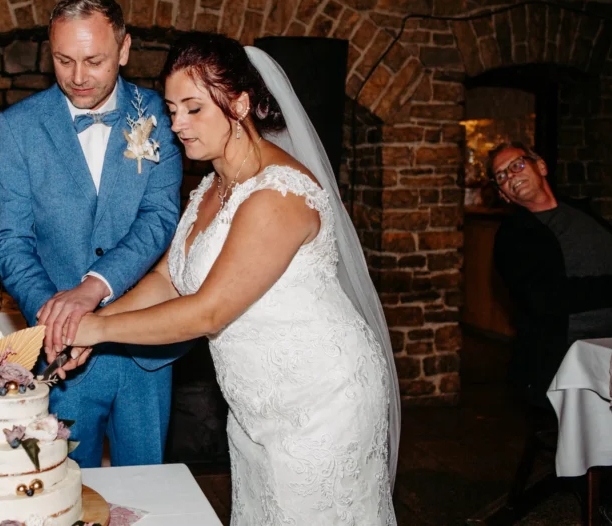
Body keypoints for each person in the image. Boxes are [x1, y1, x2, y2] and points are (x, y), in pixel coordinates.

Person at [43, 32, 400, 525]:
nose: (176, 126)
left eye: (193, 109)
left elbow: (209, 309)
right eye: (170, 110)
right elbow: (170, 277)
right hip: (256, 401)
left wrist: (95, 332)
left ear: (240, 103)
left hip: (320, 400)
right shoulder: (212, 186)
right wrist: (95, 318)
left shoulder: (279, 195)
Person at [0, 0, 184, 468]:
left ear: (123, 49)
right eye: (63, 60)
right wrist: (51, 314)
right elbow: (10, 241)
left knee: (150, 493)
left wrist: (92, 288)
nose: (78, 77)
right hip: (61, 356)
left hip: (145, 347)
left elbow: (159, 219)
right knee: (60, 489)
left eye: (94, 60)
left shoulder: (163, 115)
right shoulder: (18, 128)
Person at [489, 142, 612, 407]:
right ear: (504, 195)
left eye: (516, 165)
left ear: (541, 166)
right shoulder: (514, 237)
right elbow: (544, 297)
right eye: (501, 176)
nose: (511, 176)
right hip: (576, 360)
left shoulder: (583, 213)